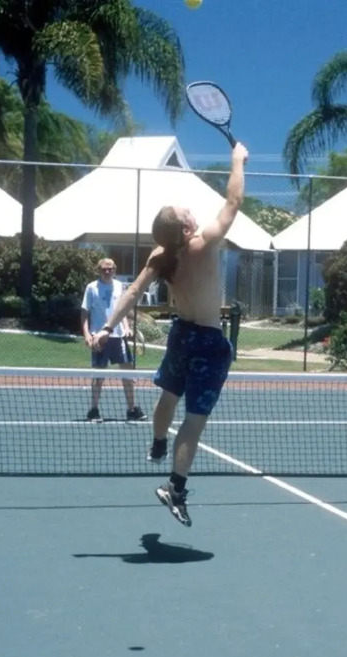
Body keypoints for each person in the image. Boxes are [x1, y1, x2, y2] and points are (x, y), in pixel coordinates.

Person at [93, 142, 249, 527]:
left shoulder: (160, 256)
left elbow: (132, 292)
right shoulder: (204, 242)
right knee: (194, 421)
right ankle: (175, 488)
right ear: (186, 228)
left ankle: (158, 443)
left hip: (180, 336)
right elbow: (234, 200)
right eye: (186, 213)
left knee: (168, 396)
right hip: (209, 343)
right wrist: (237, 160)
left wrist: (108, 327)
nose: (191, 212)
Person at [81, 258, 146, 423]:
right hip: (99, 337)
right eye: (104, 269)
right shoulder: (91, 288)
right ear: (99, 270)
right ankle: (93, 410)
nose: (107, 271)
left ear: (115, 270)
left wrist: (127, 327)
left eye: (110, 269)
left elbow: (121, 310)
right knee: (98, 376)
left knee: (127, 374)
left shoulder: (119, 286)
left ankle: (132, 410)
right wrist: (87, 334)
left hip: (119, 337)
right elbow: (84, 313)